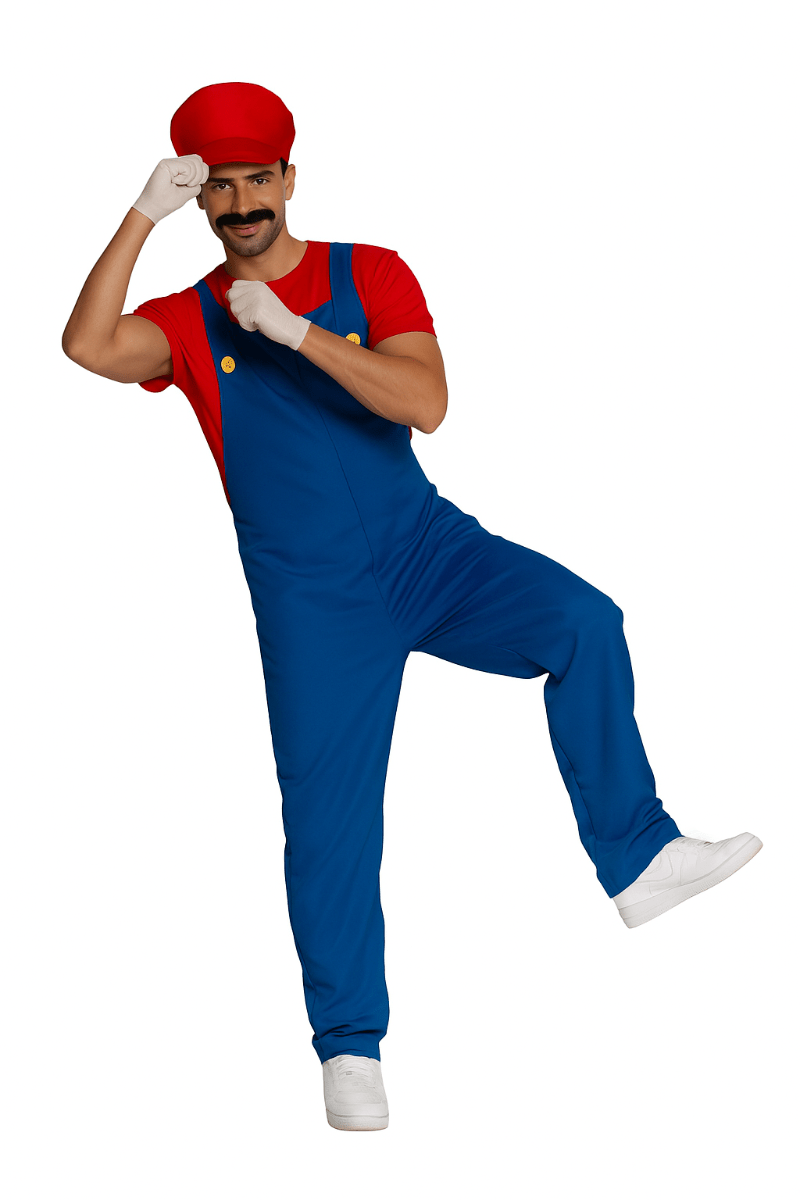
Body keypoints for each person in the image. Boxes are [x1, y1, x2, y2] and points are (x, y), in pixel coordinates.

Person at [62, 81, 763, 1132]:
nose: (242, 203)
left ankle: (640, 857)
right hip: (312, 604)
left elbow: (425, 403)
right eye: (220, 187)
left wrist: (297, 333)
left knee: (584, 622)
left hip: (428, 552)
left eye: (258, 179)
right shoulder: (186, 319)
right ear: (200, 199)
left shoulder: (368, 272)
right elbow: (86, 347)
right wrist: (138, 217)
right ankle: (349, 1045)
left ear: (289, 179)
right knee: (328, 820)